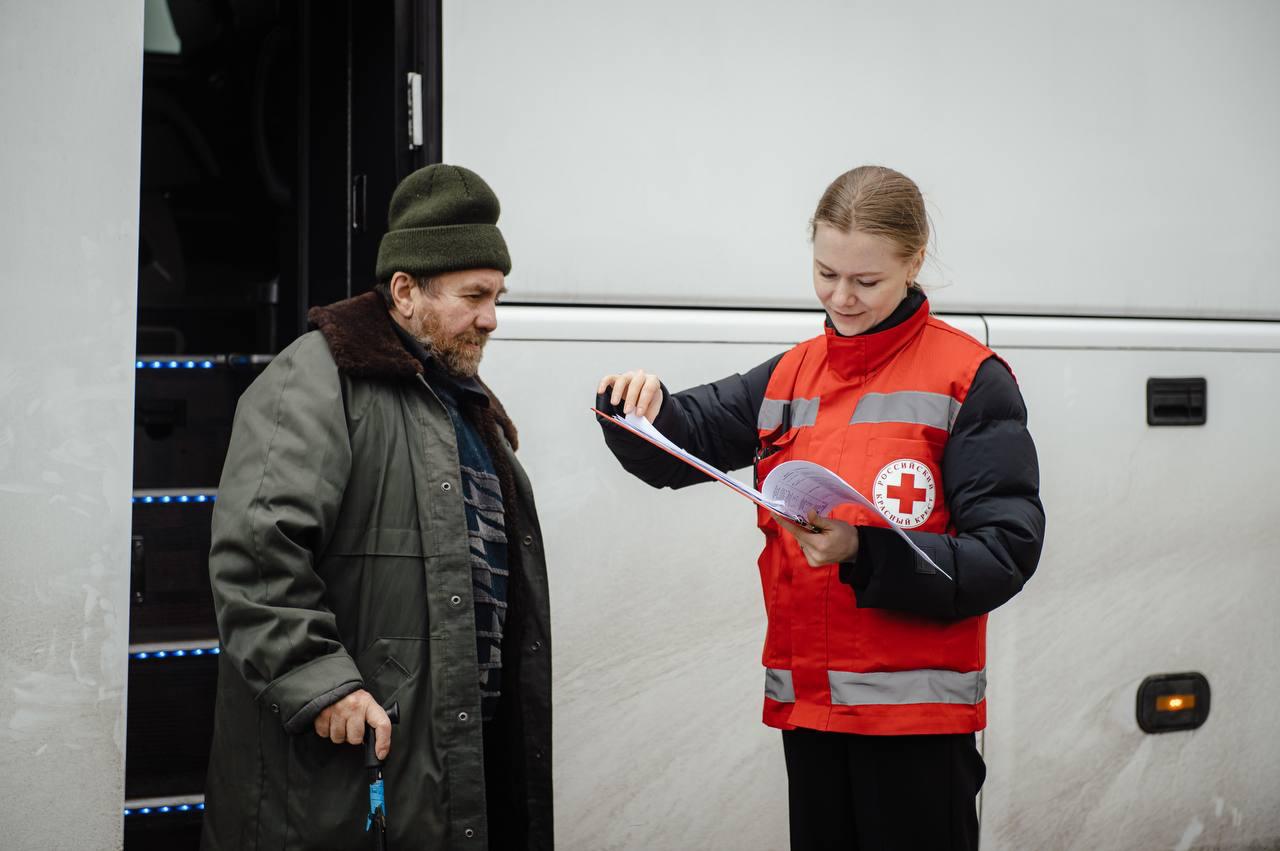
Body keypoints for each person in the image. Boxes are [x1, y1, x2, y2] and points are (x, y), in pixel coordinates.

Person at [595, 166, 1044, 850]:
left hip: (917, 729)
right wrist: (635, 406)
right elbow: (681, 443)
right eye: (826, 273)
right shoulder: (791, 374)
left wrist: (866, 550)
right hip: (810, 715)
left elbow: (1005, 553)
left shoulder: (970, 380)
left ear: (914, 263)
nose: (841, 297)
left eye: (866, 281)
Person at [202, 164, 553, 850]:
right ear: (405, 291)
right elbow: (256, 553)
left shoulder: (463, 402)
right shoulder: (312, 378)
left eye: (497, 296)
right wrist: (323, 684)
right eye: (474, 296)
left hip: (444, 760)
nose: (491, 317)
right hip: (340, 779)